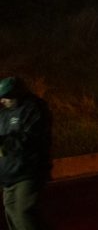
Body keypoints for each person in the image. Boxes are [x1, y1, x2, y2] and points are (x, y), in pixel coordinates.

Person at [0, 77, 52, 230]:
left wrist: (4, 142)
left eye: (6, 96)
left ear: (18, 93)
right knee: (12, 214)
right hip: (8, 175)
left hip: (28, 171)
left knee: (24, 212)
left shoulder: (33, 109)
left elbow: (30, 139)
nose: (3, 100)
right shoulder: (4, 114)